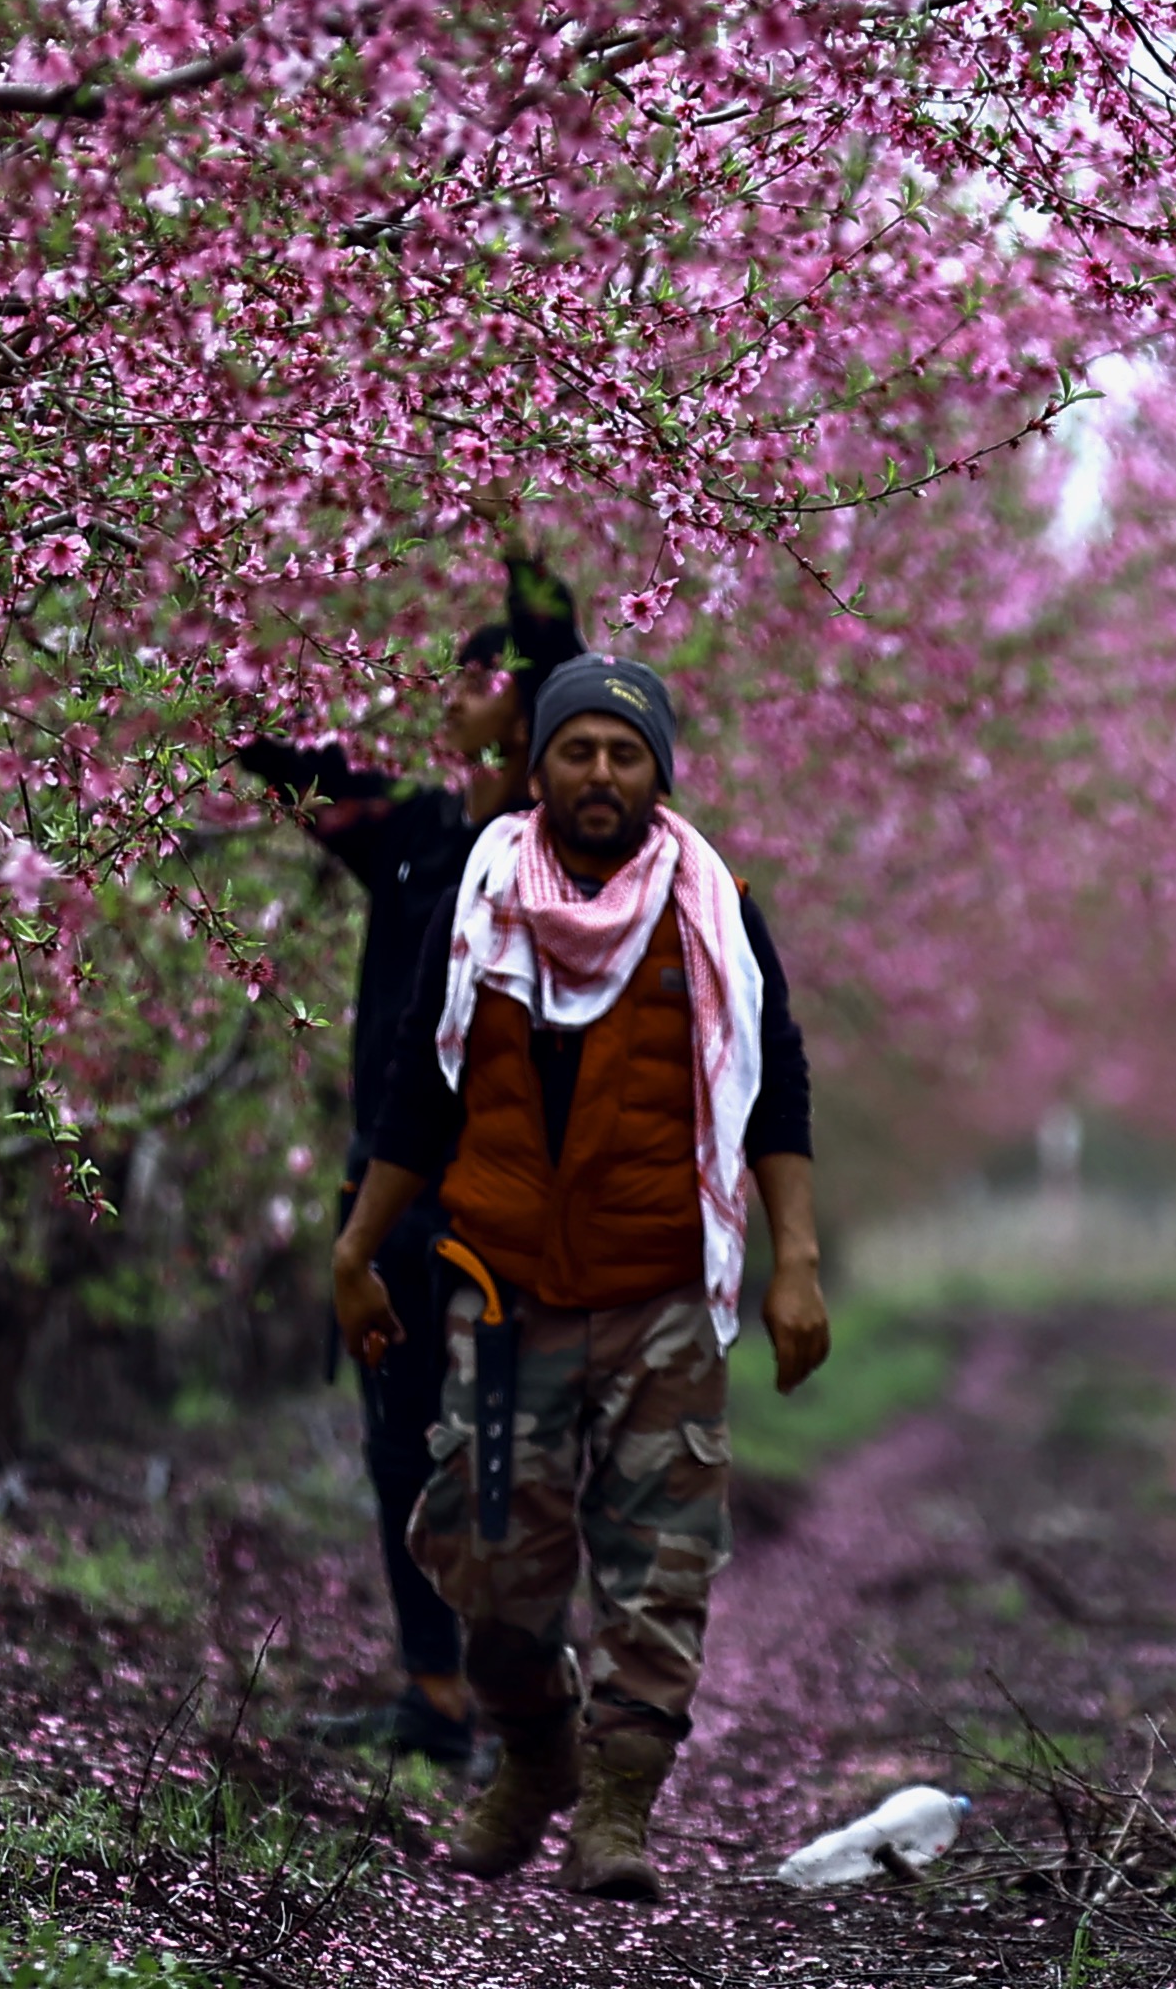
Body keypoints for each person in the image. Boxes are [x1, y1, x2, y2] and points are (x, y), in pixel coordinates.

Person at [327, 652, 832, 1900]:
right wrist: (354, 1249)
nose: (601, 774)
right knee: (489, 1564)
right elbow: (420, 1085)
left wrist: (797, 1263)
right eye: (577, 750)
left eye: (625, 751)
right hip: (503, 1296)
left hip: (661, 1286)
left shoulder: (714, 907)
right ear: (538, 767)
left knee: (658, 1566)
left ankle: (618, 1809)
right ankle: (537, 1755)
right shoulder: (479, 898)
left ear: (660, 770)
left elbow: (776, 1083)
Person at [252, 578, 577, 1762]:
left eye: (473, 680)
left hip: (505, 1189)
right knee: (398, 1438)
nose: (446, 700)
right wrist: (194, 658)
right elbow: (290, 771)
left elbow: (558, 650)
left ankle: (515, 1692)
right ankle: (433, 1694)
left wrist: (525, 549)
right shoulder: (410, 832)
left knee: (502, 1439)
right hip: (386, 1182)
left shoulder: (565, 845)